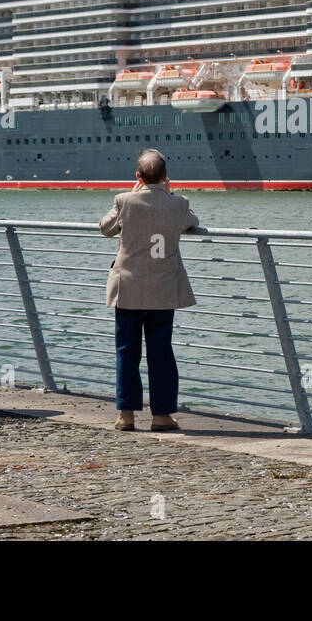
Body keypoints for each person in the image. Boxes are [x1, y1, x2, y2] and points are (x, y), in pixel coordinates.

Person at [99, 149, 200, 432]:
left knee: (126, 352)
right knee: (160, 353)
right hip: (162, 289)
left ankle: (126, 416)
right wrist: (170, 196)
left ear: (138, 177)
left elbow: (105, 228)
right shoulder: (179, 203)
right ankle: (161, 416)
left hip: (128, 289)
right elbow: (193, 221)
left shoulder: (123, 201)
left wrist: (132, 195)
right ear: (166, 177)